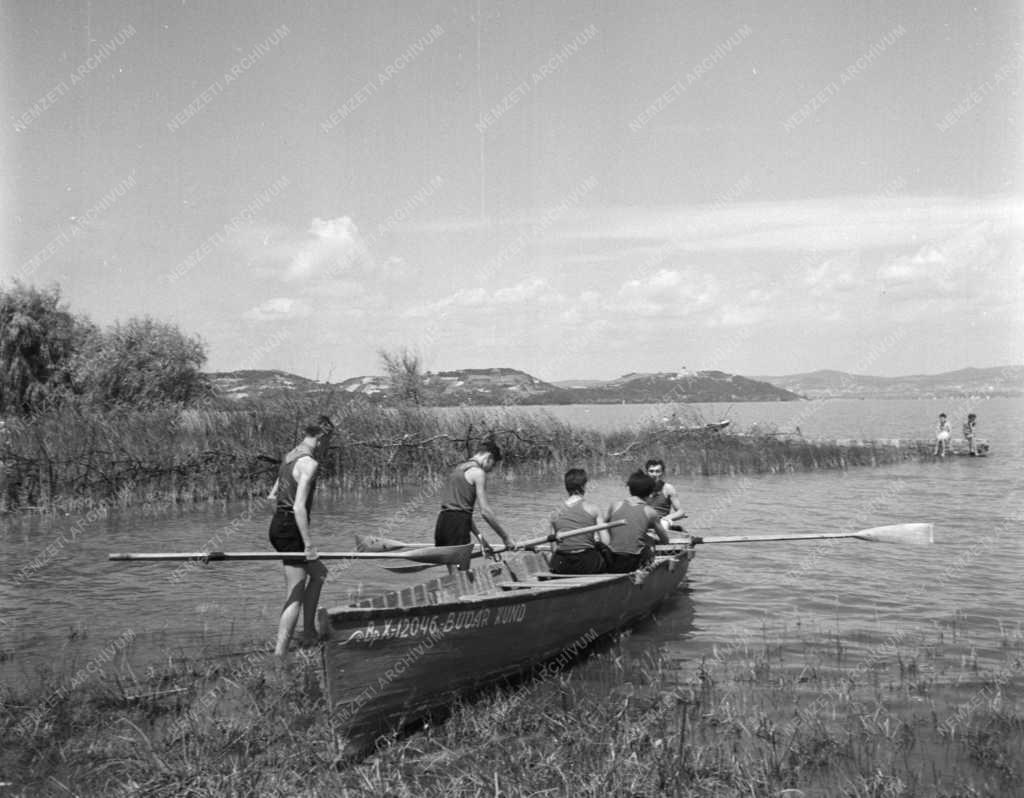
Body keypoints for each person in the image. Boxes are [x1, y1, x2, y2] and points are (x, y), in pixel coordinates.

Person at [267, 415, 334, 657]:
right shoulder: (309, 463)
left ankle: (309, 634)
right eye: (329, 441)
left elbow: (272, 497)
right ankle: (280, 654)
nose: (328, 447)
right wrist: (307, 544)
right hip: (291, 528)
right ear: (322, 436)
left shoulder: (289, 456)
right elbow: (298, 507)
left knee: (318, 574)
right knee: (295, 590)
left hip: (279, 525)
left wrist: (281, 522)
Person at [434, 441, 515, 571]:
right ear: (488, 457)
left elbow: (461, 511)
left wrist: (481, 539)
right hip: (458, 527)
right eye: (493, 465)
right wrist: (506, 538)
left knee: (455, 574)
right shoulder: (478, 473)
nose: (491, 470)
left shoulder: (458, 469)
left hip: (443, 525)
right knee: (461, 575)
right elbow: (485, 512)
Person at [604, 470, 670, 573]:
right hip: (633, 562)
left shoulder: (615, 505)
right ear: (650, 492)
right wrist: (650, 539)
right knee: (650, 543)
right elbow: (665, 540)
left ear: (630, 489)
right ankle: (646, 571)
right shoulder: (650, 512)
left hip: (612, 559)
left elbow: (604, 527)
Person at [548, 468, 609, 575]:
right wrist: (595, 541)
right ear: (583, 487)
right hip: (586, 563)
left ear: (566, 487)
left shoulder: (554, 513)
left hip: (561, 564)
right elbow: (606, 542)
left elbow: (554, 548)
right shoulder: (593, 509)